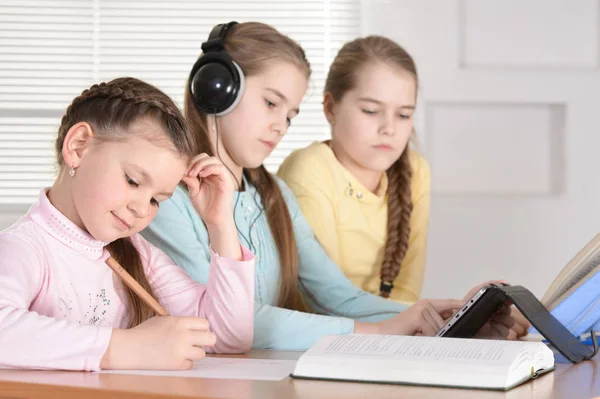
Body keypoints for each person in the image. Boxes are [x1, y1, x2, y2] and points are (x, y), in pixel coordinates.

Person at [142, 22, 517, 351]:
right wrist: (377, 332)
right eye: (271, 103)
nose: (280, 126)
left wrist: (450, 315)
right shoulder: (166, 197)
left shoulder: (276, 198)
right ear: (216, 88)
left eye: (290, 114)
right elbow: (224, 317)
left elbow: (339, 297)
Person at [0, 77, 255, 371]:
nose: (140, 209)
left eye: (156, 200)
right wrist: (124, 347)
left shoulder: (137, 253)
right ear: (79, 147)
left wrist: (220, 224)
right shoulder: (25, 247)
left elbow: (225, 337)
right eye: (133, 181)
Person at [278, 35, 429, 303]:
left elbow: (407, 293)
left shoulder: (416, 171)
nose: (389, 129)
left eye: (404, 114)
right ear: (330, 108)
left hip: (383, 332)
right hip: (315, 337)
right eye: (371, 111)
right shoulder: (310, 170)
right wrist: (432, 317)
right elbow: (326, 300)